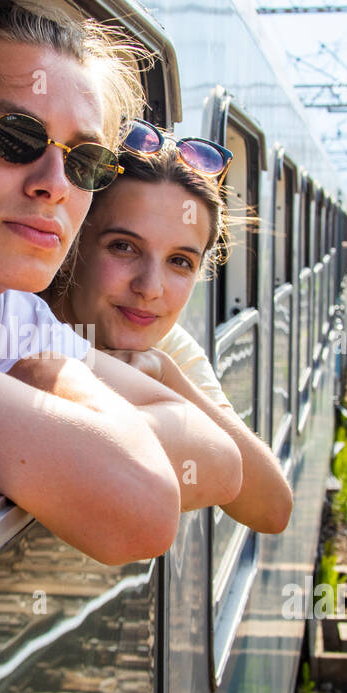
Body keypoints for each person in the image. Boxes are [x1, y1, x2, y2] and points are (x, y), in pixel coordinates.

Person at [0, 1, 243, 565]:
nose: (54, 184)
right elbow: (142, 509)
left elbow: (221, 459)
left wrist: (51, 376)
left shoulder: (8, 314)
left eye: (84, 160)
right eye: (14, 136)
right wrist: (54, 377)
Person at [45, 136, 293, 534]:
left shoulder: (167, 347)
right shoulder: (13, 325)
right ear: (74, 243)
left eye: (180, 261)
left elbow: (271, 509)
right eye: (123, 247)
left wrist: (163, 373)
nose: (150, 287)